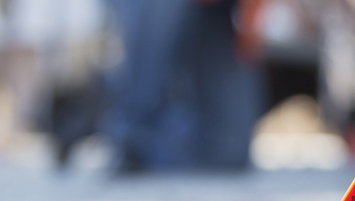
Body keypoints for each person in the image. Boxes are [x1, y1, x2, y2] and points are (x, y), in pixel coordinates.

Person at [101, 0, 266, 174]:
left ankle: (168, 138)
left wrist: (251, 11)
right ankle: (134, 136)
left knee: (229, 153)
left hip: (217, 10)